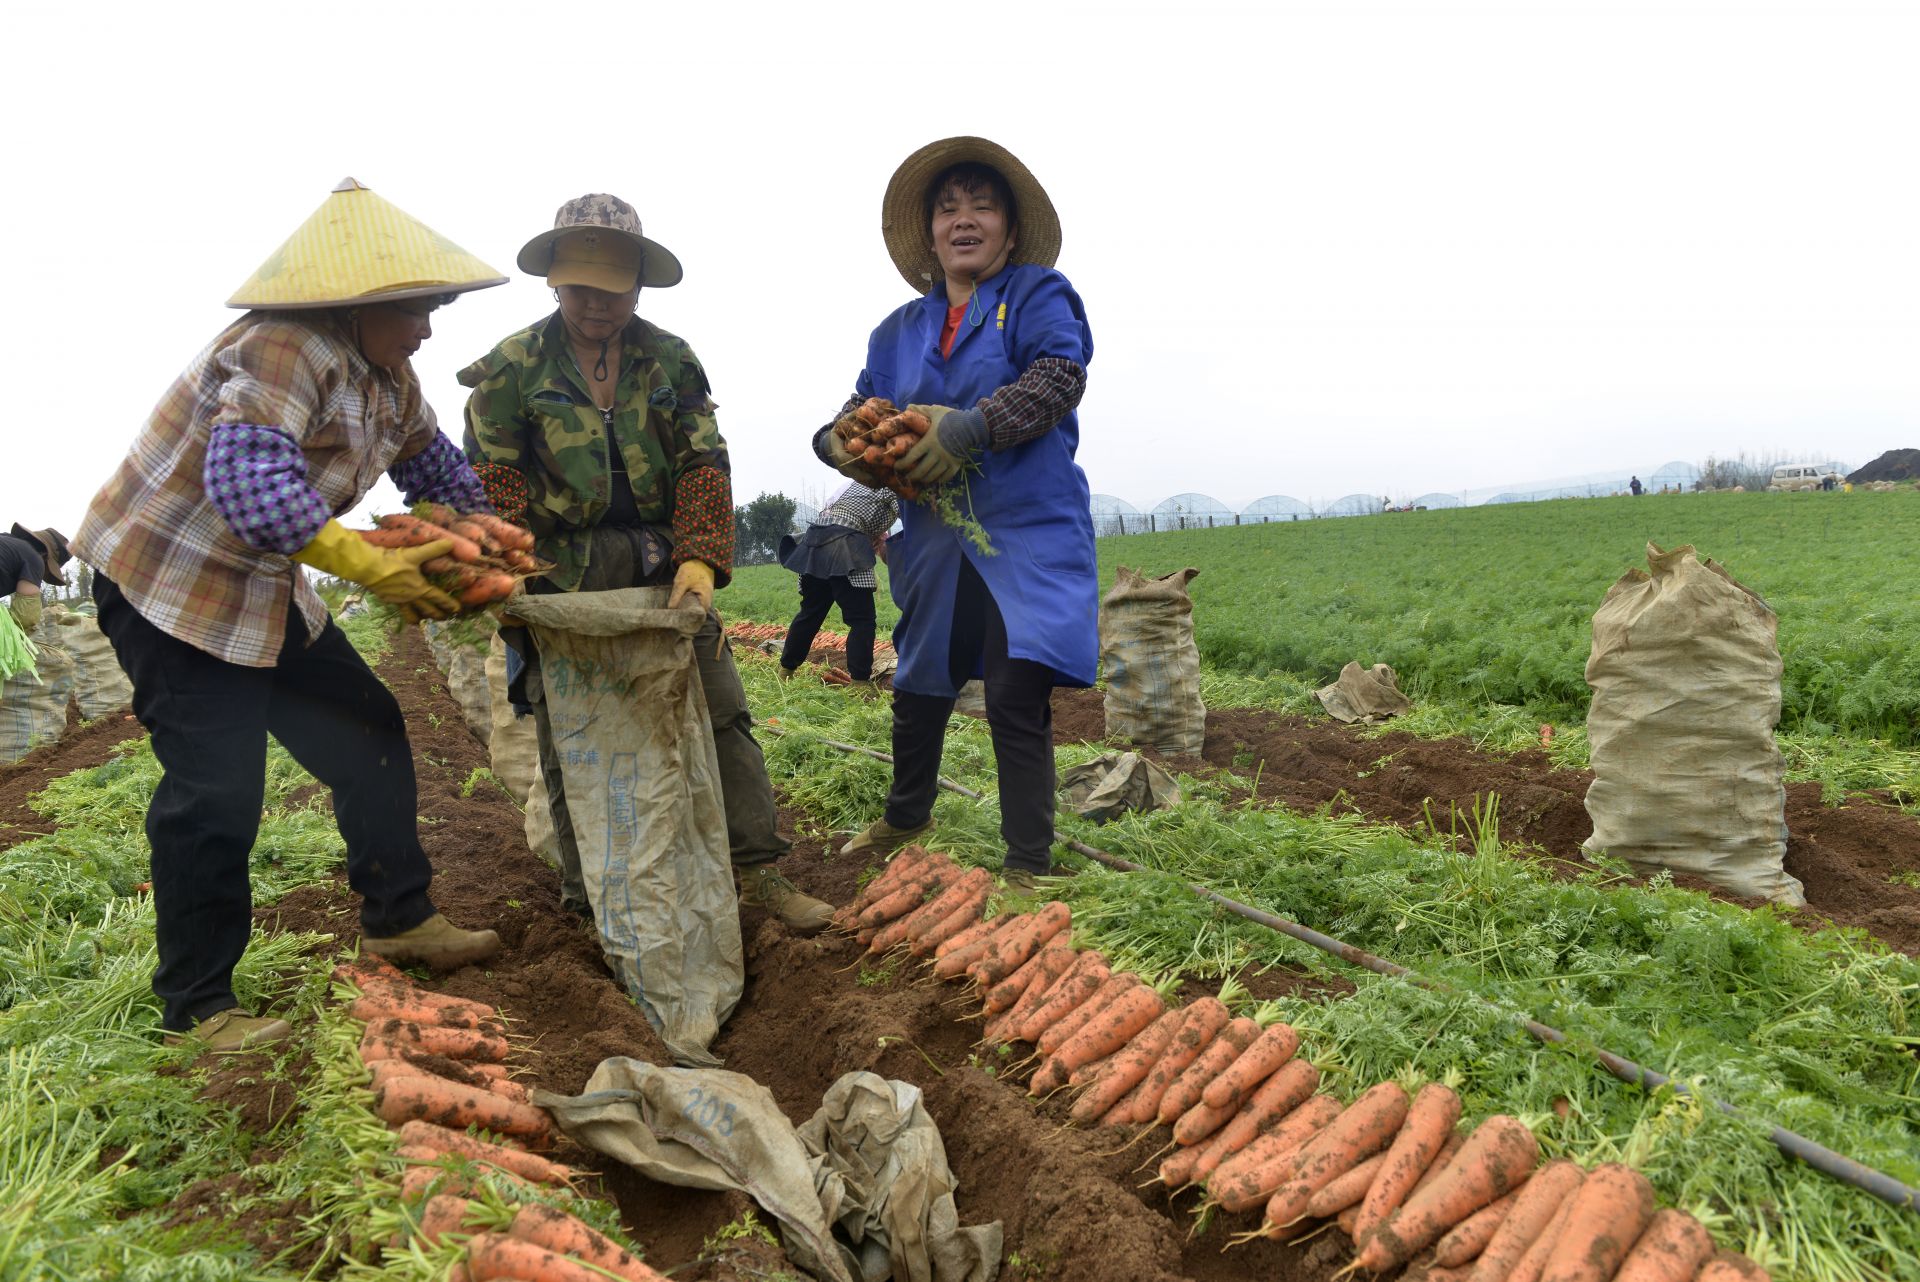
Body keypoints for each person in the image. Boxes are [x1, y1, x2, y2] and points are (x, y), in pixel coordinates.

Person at [71, 179, 507, 1053]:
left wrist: (488, 542)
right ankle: (196, 1009)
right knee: (215, 786)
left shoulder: (390, 379)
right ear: (362, 301)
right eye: (420, 308)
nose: (428, 326)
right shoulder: (281, 347)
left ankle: (399, 916)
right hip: (171, 583)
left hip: (264, 586)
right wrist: (367, 562)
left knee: (370, 726)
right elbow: (251, 490)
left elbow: (438, 472)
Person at [461, 194, 832, 935]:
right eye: (583, 290)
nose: (599, 305)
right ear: (554, 284)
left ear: (638, 285)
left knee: (721, 711)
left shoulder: (671, 357)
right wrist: (505, 573)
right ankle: (588, 900)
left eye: (615, 290)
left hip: (665, 566)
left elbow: (702, 460)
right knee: (572, 730)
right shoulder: (511, 367)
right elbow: (492, 480)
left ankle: (756, 873)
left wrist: (700, 560)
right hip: (558, 575)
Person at [813, 137, 1096, 891]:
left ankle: (1028, 864)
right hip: (938, 534)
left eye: (981, 205)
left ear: (1007, 226)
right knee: (921, 677)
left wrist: (971, 428)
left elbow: (1059, 377)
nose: (963, 219)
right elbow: (857, 411)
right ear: (930, 233)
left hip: (1026, 527)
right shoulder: (898, 330)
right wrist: (835, 442)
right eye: (948, 209)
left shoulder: (1037, 295)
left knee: (1014, 687)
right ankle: (906, 816)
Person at [777, 482, 899, 687]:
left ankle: (785, 670)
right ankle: (860, 683)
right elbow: (913, 516)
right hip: (845, 544)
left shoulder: (854, 484)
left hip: (816, 539)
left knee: (810, 613)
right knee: (862, 619)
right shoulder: (894, 485)